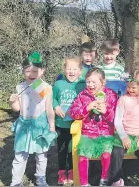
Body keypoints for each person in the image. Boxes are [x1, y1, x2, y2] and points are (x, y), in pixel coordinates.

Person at [9, 52, 57, 186]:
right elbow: (17, 109)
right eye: (27, 71)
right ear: (23, 71)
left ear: (42, 71)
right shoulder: (20, 87)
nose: (31, 74)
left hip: (39, 126)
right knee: (20, 155)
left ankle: (40, 178)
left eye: (35, 71)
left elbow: (48, 108)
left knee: (41, 155)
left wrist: (52, 127)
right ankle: (16, 181)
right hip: (24, 124)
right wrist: (12, 101)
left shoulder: (46, 88)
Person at [69, 68, 118, 186]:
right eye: (88, 82)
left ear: (103, 82)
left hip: (106, 133)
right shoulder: (82, 95)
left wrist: (106, 111)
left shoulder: (111, 95)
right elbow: (73, 113)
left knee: (106, 155)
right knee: (82, 156)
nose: (90, 85)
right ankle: (84, 183)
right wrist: (87, 108)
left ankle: (104, 179)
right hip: (87, 133)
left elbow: (117, 117)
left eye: (93, 82)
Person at [110, 70, 139, 186]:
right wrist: (124, 136)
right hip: (125, 134)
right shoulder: (124, 99)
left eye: (134, 88)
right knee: (116, 153)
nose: (130, 90)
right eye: (129, 87)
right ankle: (116, 180)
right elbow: (118, 120)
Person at [53, 57, 86, 185]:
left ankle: (72, 171)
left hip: (76, 124)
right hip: (61, 124)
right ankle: (62, 171)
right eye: (68, 69)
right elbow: (53, 99)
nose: (71, 71)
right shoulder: (58, 84)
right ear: (64, 70)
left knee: (72, 149)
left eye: (74, 69)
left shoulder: (82, 84)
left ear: (80, 71)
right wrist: (56, 107)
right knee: (62, 149)